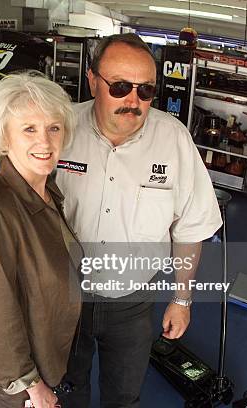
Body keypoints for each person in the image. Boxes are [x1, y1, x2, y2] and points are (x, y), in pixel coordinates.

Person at [55, 33, 222, 407]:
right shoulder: (61, 130)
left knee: (125, 395)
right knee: (66, 388)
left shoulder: (174, 140)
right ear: (92, 81)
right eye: (119, 86)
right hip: (64, 295)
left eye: (145, 90)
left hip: (132, 303)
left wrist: (182, 298)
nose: (133, 101)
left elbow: (191, 226)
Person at [0, 71, 81, 408]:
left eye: (53, 128)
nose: (44, 142)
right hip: (18, 382)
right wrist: (31, 385)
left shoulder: (47, 191)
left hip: (47, 356)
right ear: (5, 136)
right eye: (29, 129)